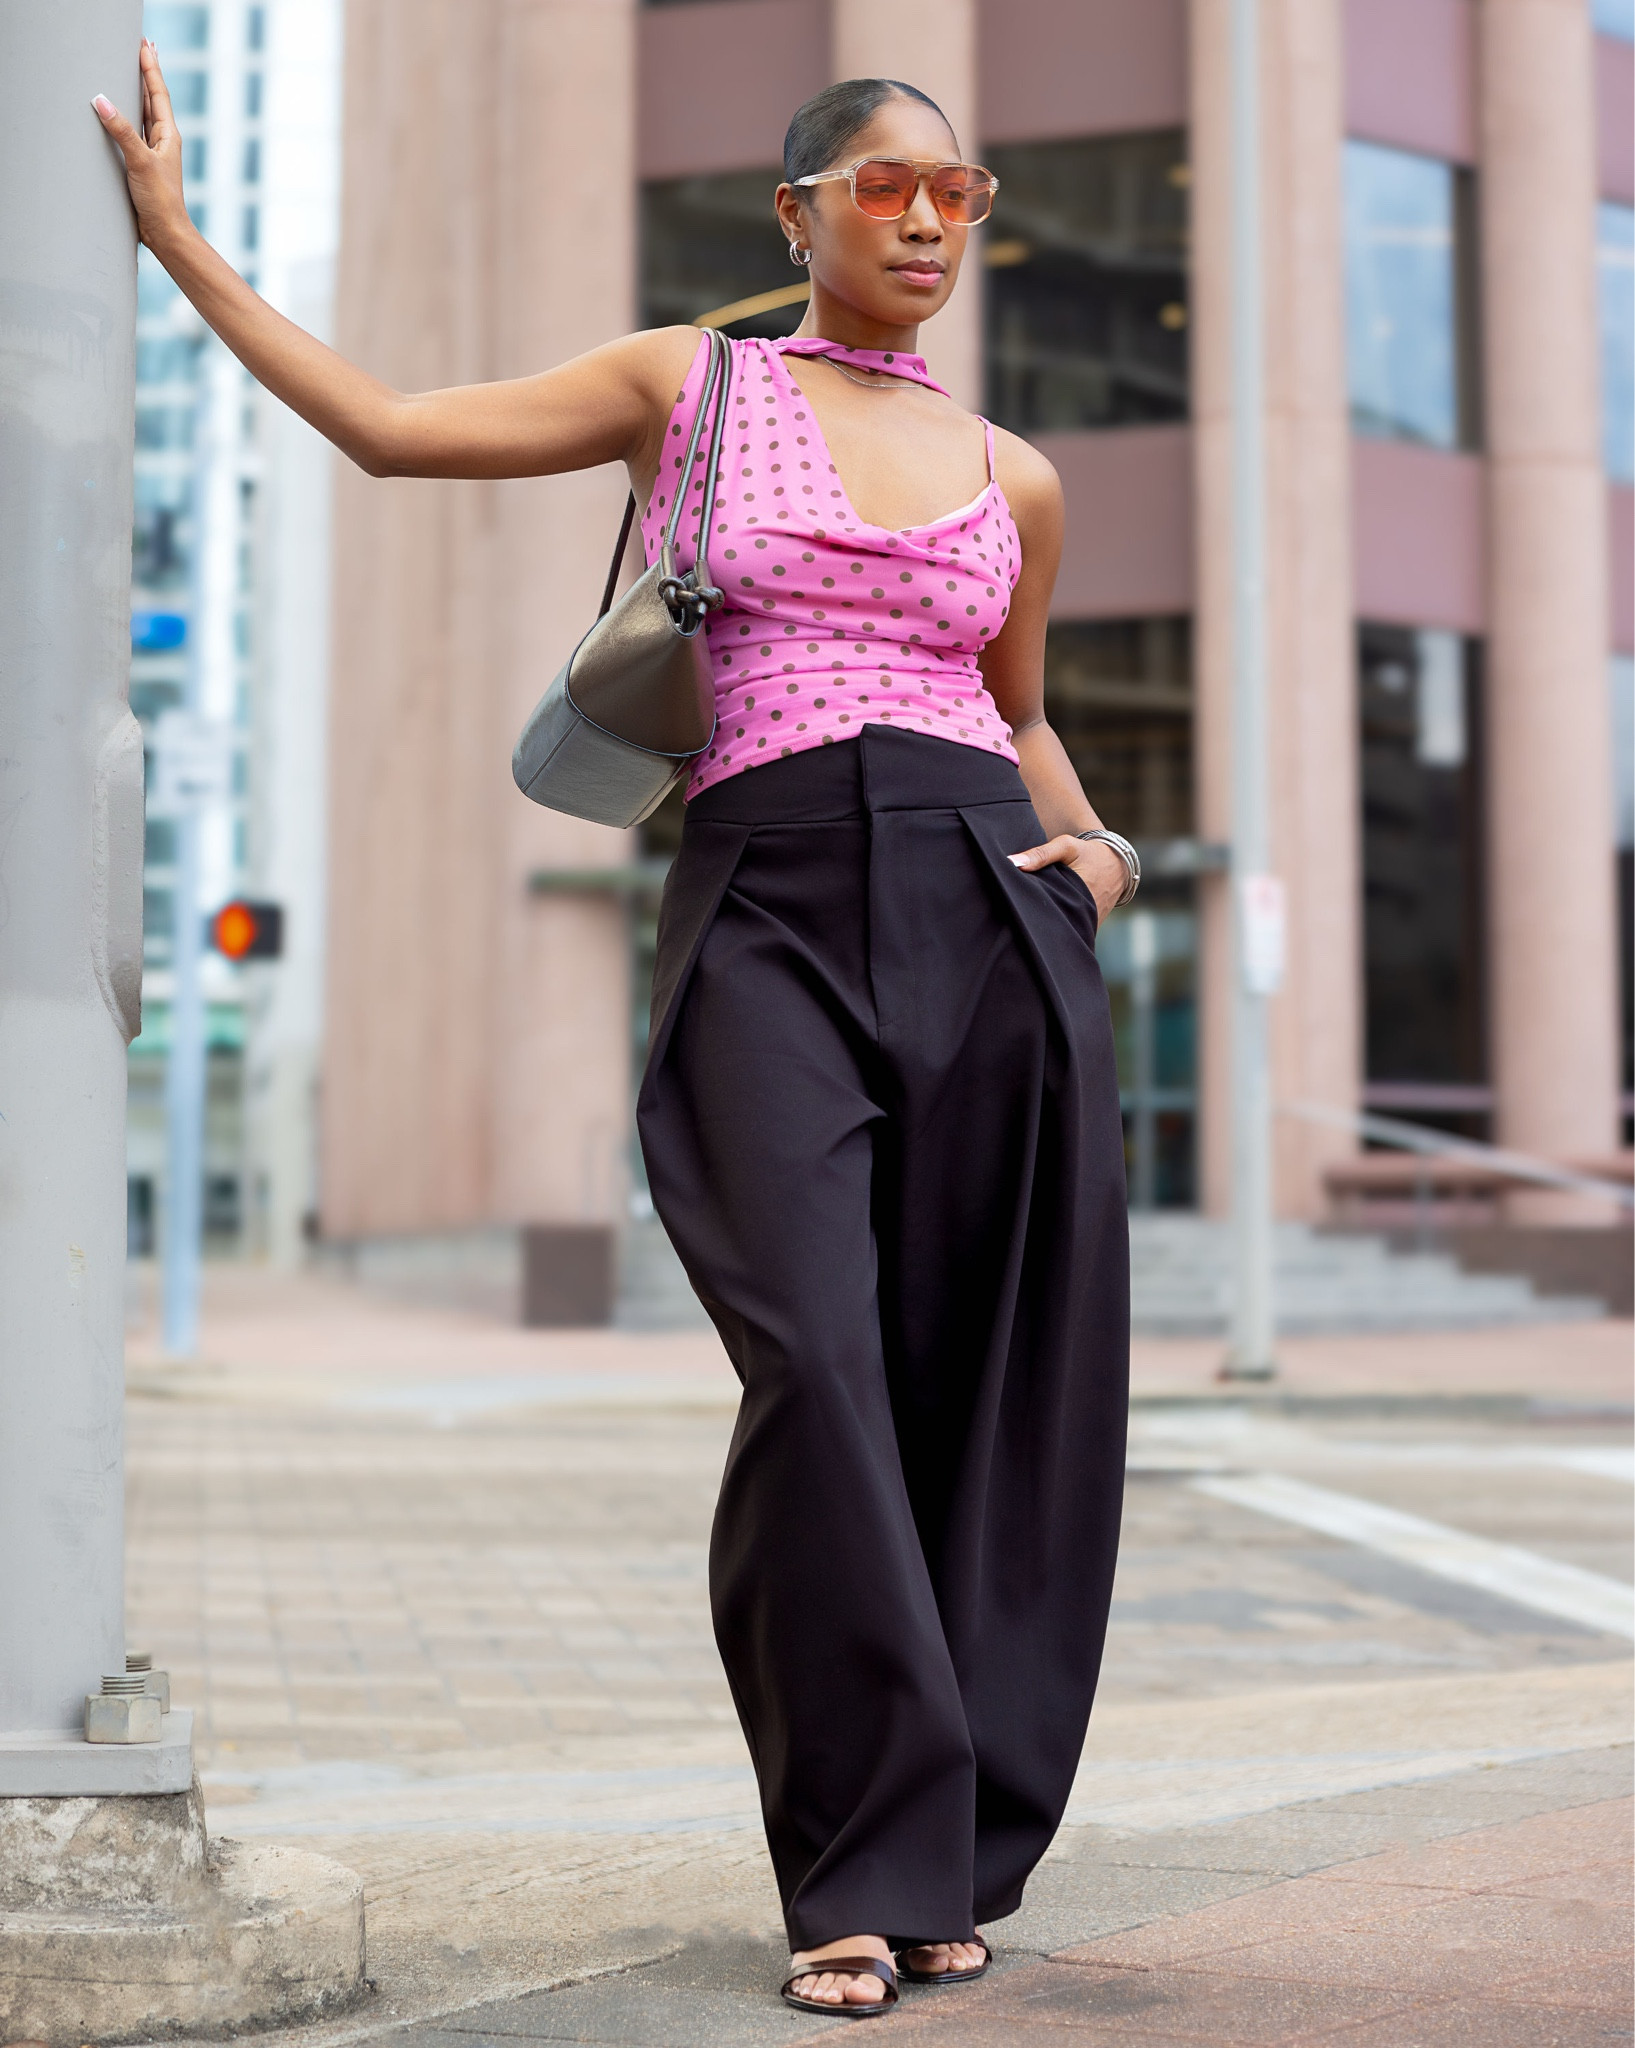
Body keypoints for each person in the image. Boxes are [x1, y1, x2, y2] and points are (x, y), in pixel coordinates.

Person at [96, 50, 1132, 2021]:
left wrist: (1089, 860)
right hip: (762, 908)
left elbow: (1017, 714)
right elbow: (396, 432)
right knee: (815, 1371)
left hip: (988, 909)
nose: (926, 220)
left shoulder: (1021, 476)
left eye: (962, 194)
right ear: (800, 213)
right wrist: (178, 247)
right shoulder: (693, 388)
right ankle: (854, 1852)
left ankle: (952, 1845)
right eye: (887, 185)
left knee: (983, 1391)